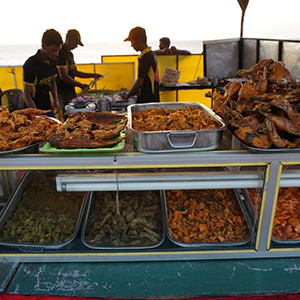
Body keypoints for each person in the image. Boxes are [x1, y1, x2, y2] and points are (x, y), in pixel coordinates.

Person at [56, 29, 102, 115]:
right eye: (76, 43)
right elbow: (63, 76)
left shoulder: (70, 54)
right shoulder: (61, 53)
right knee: (66, 115)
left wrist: (93, 75)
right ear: (69, 40)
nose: (76, 46)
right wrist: (80, 85)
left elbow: (76, 72)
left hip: (70, 91)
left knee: (75, 116)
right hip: (61, 92)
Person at [23, 29, 63, 117]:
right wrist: (36, 115)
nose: (56, 54)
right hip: (32, 107)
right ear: (44, 46)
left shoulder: (53, 61)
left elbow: (53, 82)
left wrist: (56, 100)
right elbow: (27, 95)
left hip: (47, 106)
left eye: (58, 50)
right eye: (53, 50)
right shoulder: (31, 64)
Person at [122, 26, 160, 103]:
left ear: (138, 41)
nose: (131, 45)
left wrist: (128, 95)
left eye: (132, 42)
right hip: (154, 97)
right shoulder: (152, 54)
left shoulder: (145, 57)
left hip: (147, 100)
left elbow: (140, 82)